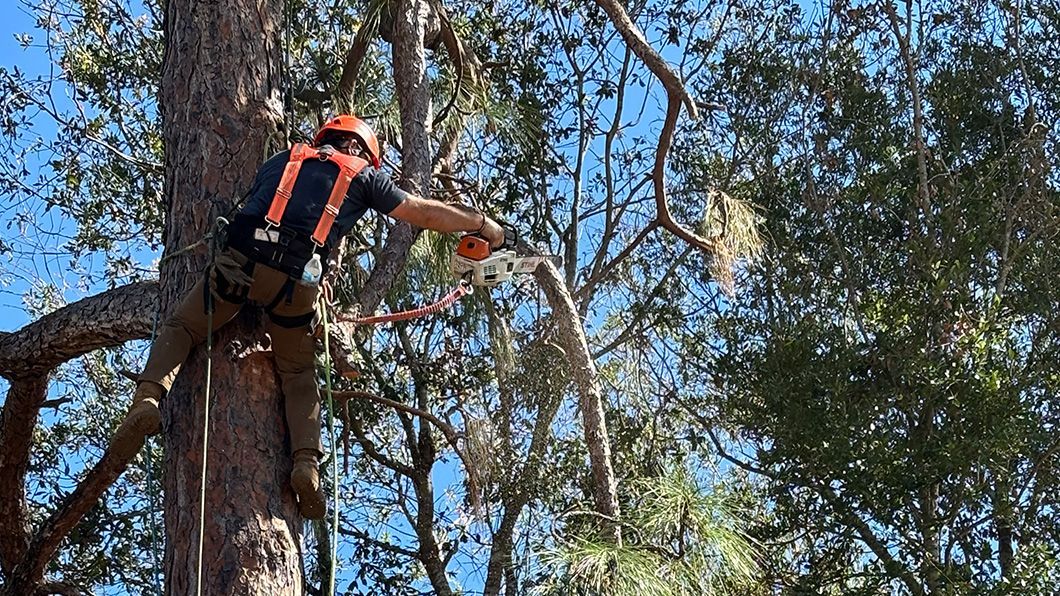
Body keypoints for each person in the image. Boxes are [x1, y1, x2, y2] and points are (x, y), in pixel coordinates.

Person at [113, 114, 504, 519]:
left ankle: (147, 398)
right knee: (297, 372)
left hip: (242, 263)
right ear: (362, 152)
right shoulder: (363, 177)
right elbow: (419, 212)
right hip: (296, 283)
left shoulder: (284, 159)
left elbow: (253, 202)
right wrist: (480, 223)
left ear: (327, 139)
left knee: (184, 326)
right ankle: (306, 464)